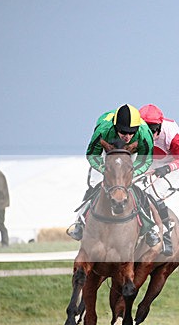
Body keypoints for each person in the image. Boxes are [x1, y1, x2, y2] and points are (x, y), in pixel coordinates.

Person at [66, 105, 162, 250]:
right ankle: (78, 223)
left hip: (132, 157)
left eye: (131, 133)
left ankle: (149, 229)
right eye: (123, 132)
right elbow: (92, 155)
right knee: (95, 183)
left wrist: (128, 173)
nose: (127, 136)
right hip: (107, 154)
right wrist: (106, 170)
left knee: (141, 187)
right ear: (116, 127)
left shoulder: (144, 132)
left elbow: (145, 160)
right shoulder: (103, 130)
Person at [139, 103, 179, 255]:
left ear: (160, 127)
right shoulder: (134, 132)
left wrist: (167, 168)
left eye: (154, 130)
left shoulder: (172, 135)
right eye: (146, 130)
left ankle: (167, 233)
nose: (151, 134)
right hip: (149, 161)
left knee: (153, 194)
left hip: (172, 163)